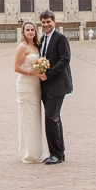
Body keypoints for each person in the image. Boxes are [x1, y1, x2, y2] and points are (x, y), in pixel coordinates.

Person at [38, 9, 73, 165]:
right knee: (54, 118)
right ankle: (60, 152)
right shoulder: (43, 39)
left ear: (54, 22)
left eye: (48, 22)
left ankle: (56, 154)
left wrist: (49, 74)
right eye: (43, 22)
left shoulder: (60, 38)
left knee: (51, 118)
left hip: (57, 84)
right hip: (46, 85)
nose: (46, 24)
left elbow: (65, 59)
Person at [14, 20, 48, 163]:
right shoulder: (22, 47)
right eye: (27, 30)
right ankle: (29, 153)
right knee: (27, 118)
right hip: (26, 85)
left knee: (35, 118)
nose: (30, 32)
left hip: (36, 86)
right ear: (23, 32)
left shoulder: (36, 45)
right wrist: (34, 74)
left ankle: (37, 151)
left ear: (35, 31)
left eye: (32, 30)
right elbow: (16, 67)